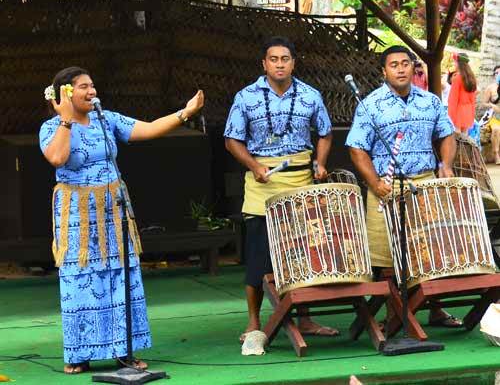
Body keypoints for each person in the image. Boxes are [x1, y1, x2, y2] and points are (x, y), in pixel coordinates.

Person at [39, 66, 204, 374]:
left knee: (120, 275)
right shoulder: (51, 128)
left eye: (92, 85)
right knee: (80, 276)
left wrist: (186, 112)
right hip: (76, 212)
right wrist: (65, 118)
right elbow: (57, 158)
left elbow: (150, 128)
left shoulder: (106, 119)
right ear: (66, 93)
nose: (92, 91)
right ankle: (79, 353)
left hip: (114, 209)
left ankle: (122, 351)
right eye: (84, 87)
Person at [224, 36, 337, 343]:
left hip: (301, 182)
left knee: (304, 252)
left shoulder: (310, 96)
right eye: (273, 59)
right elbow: (232, 139)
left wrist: (320, 163)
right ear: (264, 64)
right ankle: (253, 321)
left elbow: (325, 133)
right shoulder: (245, 97)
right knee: (259, 256)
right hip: (262, 184)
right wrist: (253, 165)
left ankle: (306, 319)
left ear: (293, 63)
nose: (279, 64)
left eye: (285, 59)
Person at [345, 45, 462, 327]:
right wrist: (374, 183)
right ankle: (393, 315)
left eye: (405, 63)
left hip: (423, 183)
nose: (400, 68)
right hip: (385, 187)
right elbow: (356, 148)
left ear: (413, 68)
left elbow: (447, 135)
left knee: (431, 250)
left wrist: (445, 165)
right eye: (394, 64)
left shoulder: (431, 101)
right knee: (388, 257)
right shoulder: (370, 104)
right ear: (383, 71)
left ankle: (435, 309)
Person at [448, 52, 477, 134]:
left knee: (456, 137)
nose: (454, 64)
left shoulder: (457, 78)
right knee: (465, 138)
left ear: (458, 63)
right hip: (468, 111)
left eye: (455, 62)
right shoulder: (472, 78)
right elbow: (473, 99)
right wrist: (472, 114)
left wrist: (450, 117)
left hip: (458, 111)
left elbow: (453, 99)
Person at [481, 65, 500, 164]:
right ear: (494, 75)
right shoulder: (491, 88)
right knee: (496, 129)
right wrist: (492, 106)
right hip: (495, 117)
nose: (499, 75)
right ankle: (496, 155)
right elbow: (483, 103)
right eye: (497, 73)